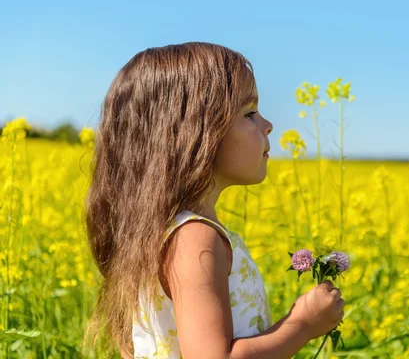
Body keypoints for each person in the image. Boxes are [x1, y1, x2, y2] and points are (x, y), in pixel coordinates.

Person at [84, 42, 344, 358]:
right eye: (249, 113)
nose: (267, 125)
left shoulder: (161, 233)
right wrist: (302, 324)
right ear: (196, 134)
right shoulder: (195, 239)